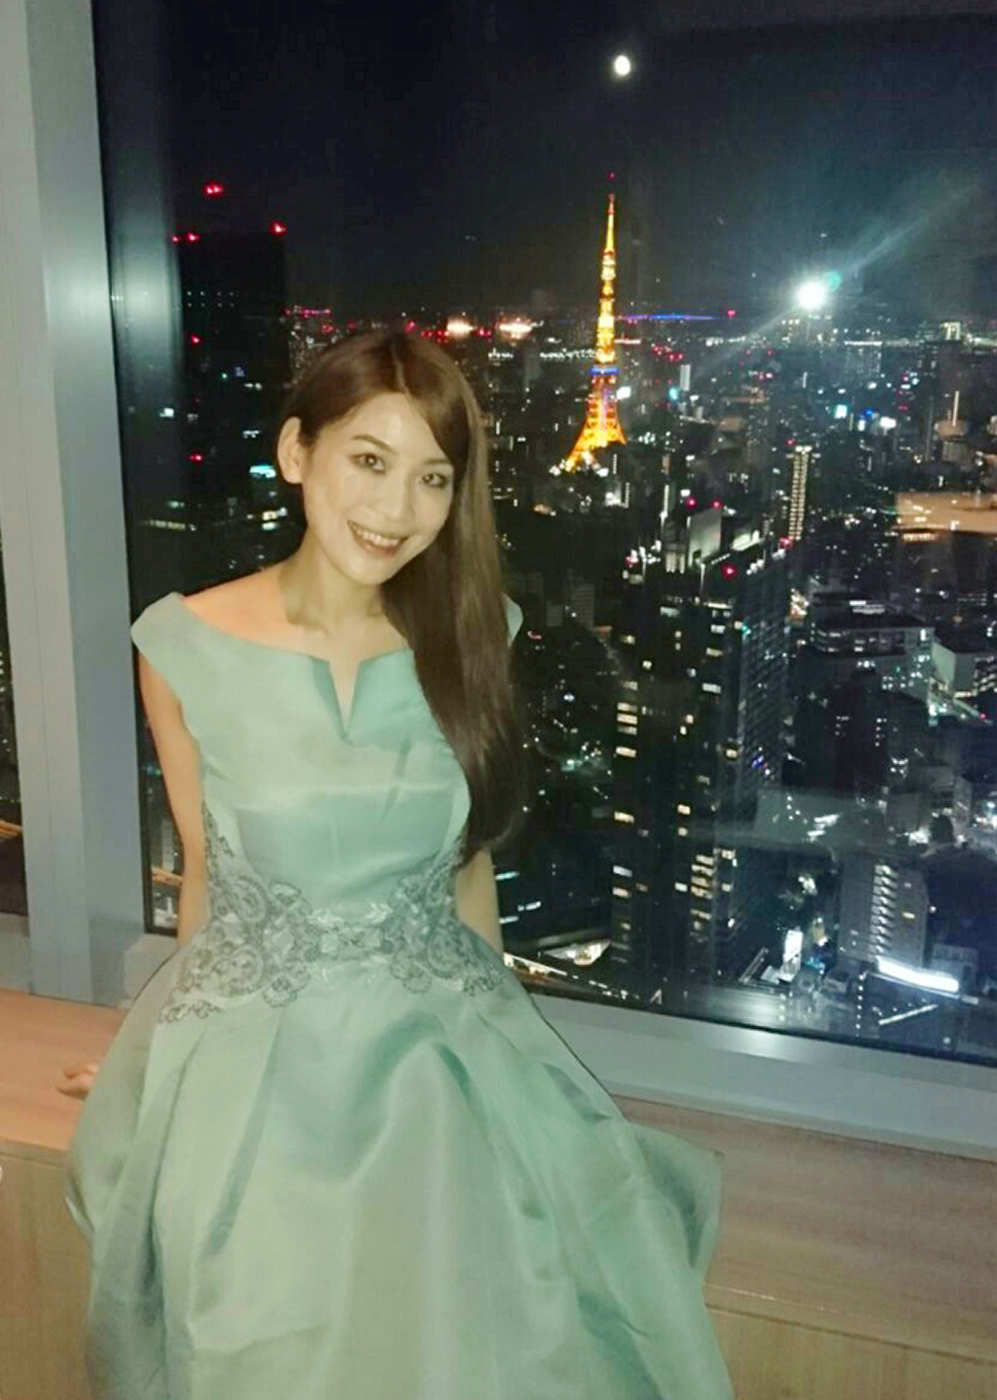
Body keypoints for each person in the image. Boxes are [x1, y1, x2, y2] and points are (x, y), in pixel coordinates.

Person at [62, 328, 735, 1399]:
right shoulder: (182, 646)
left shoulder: (473, 633)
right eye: (368, 460)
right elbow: (208, 871)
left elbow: (469, 873)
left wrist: (517, 1069)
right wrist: (159, 1060)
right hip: (263, 1065)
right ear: (297, 452)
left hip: (435, 1056)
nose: (397, 507)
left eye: (433, 476)